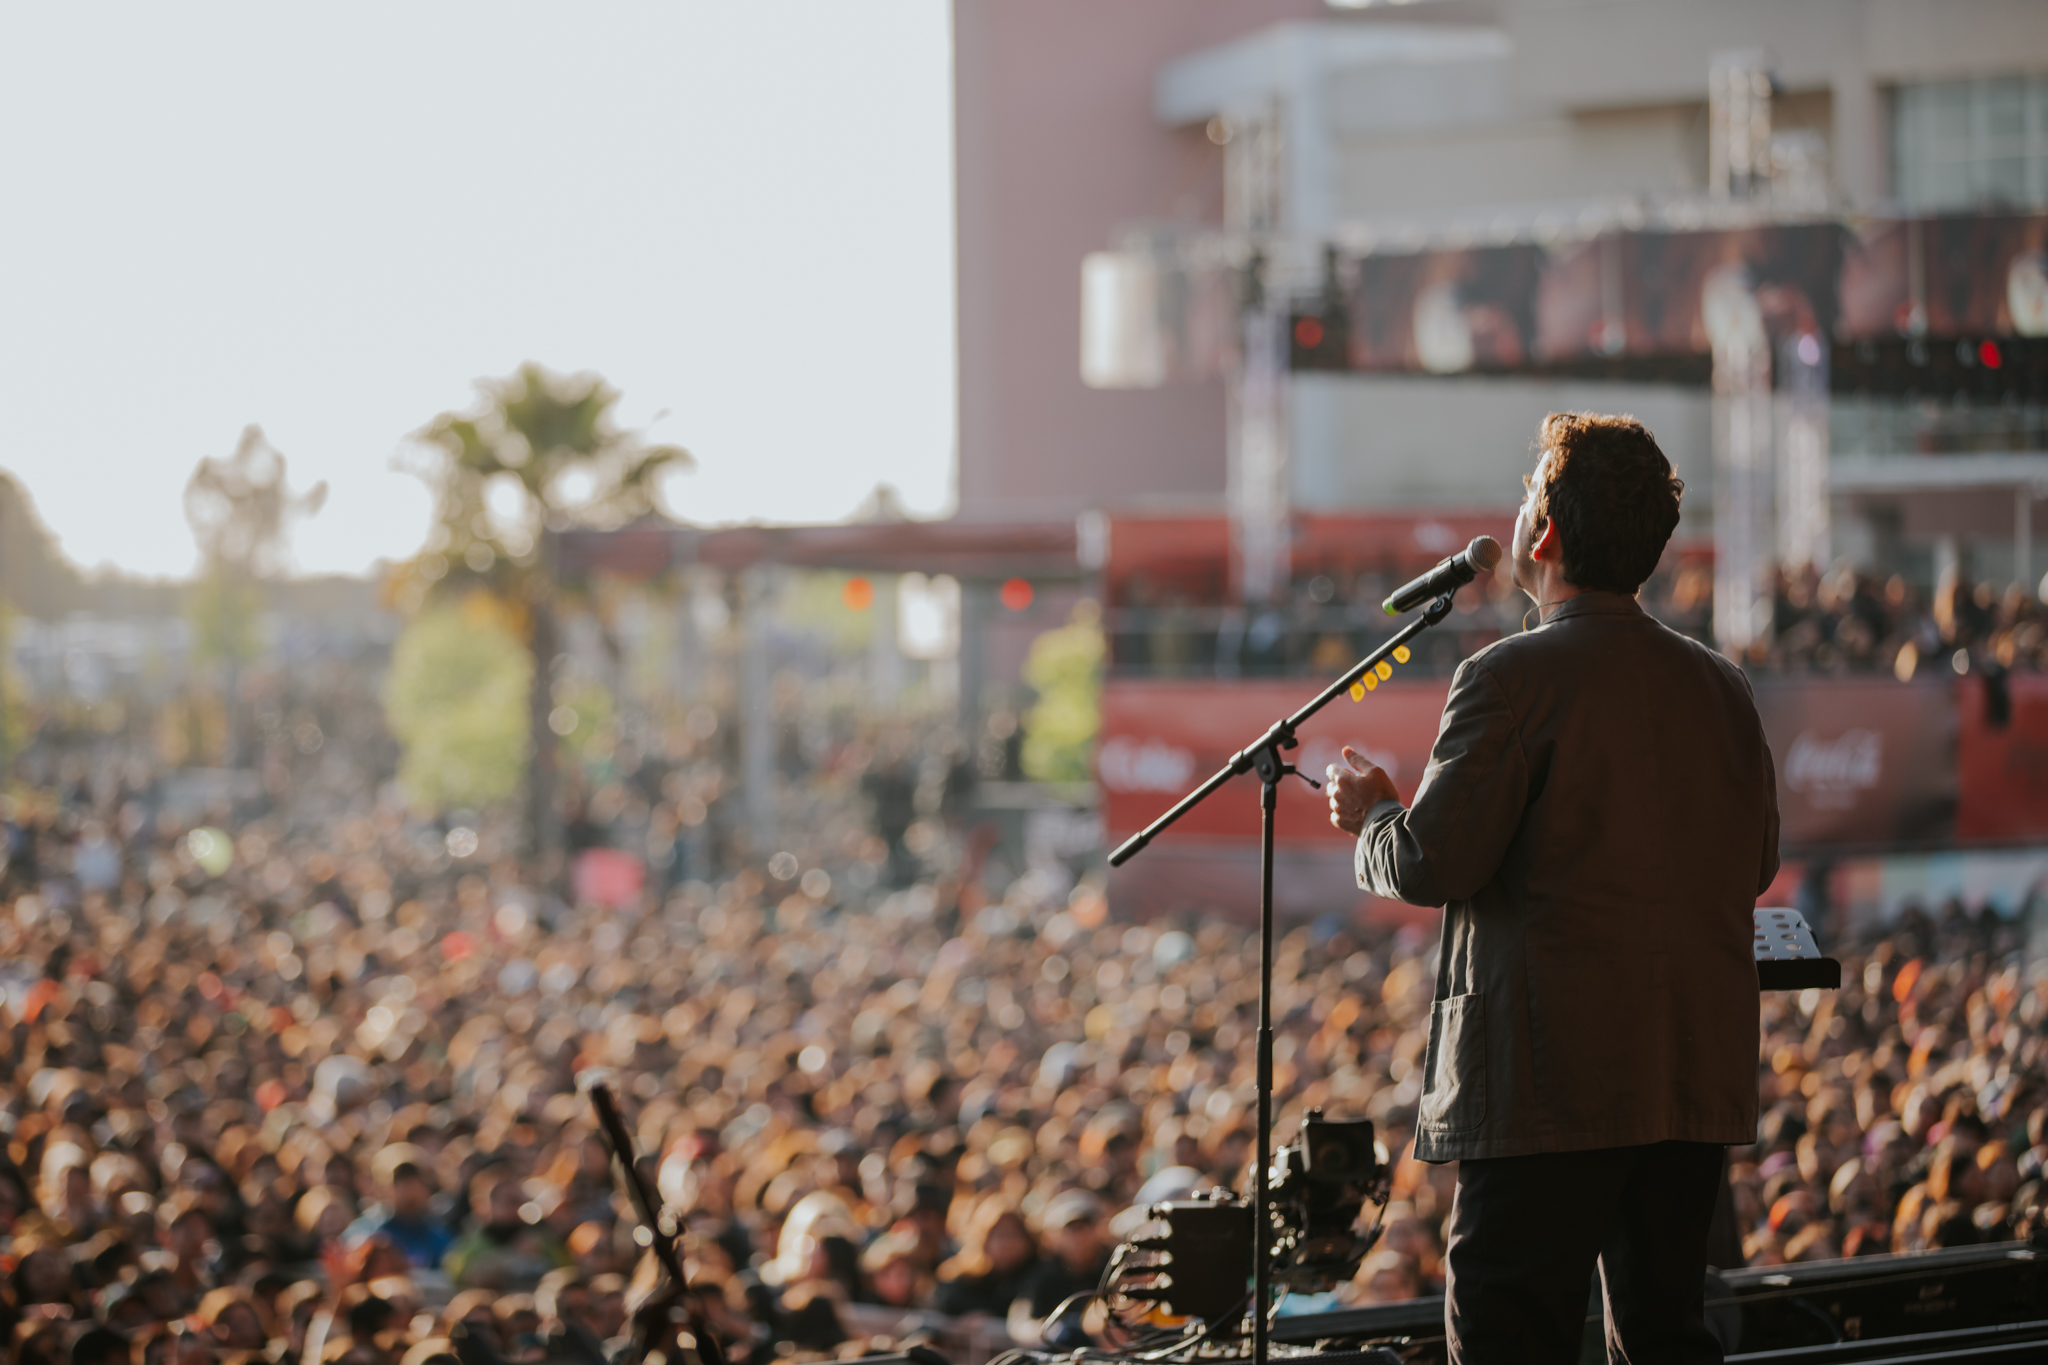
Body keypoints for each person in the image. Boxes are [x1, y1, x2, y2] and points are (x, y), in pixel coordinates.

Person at [1328, 412, 1779, 1364]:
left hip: (1545, 1087)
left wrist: (1372, 815)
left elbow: (1430, 861)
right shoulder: (1723, 689)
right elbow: (1757, 859)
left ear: (1547, 534)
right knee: (1664, 1337)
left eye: (1531, 490)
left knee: (1509, 1339)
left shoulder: (1507, 678)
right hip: (1683, 1076)